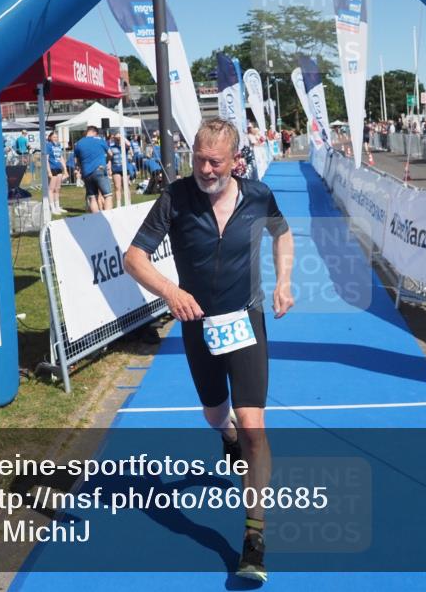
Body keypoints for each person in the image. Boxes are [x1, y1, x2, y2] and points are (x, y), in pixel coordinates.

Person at [124, 118, 294, 582]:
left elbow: (282, 234)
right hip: (197, 324)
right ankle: (227, 435)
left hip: (245, 321)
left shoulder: (257, 196)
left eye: (214, 161)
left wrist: (283, 281)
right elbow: (134, 258)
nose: (204, 169)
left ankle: (254, 537)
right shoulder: (175, 197)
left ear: (236, 160)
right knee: (216, 414)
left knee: (255, 426)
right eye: (198, 159)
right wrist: (170, 292)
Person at [73, 125, 112, 213]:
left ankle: (96, 218)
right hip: (99, 170)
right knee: (107, 195)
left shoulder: (78, 143)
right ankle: (108, 217)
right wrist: (106, 161)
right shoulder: (100, 140)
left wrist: (80, 169)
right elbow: (110, 153)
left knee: (92, 197)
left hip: (86, 173)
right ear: (95, 132)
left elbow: (76, 161)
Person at [44, 132, 67, 214]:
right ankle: (52, 207)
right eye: (54, 137)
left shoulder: (58, 145)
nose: (55, 138)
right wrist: (49, 171)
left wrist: (65, 169)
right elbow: (46, 159)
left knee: (57, 188)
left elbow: (61, 157)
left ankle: (57, 206)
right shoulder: (48, 145)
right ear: (50, 137)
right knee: (51, 189)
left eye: (56, 137)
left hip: (59, 168)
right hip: (52, 168)